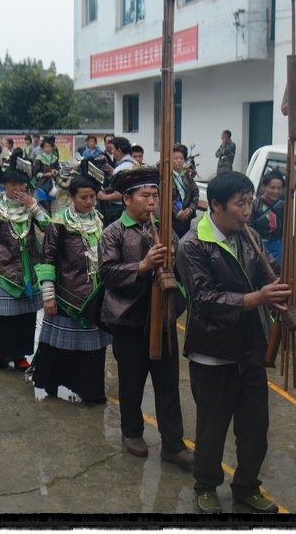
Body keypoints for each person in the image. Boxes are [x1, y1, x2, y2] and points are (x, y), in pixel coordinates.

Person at [176, 171, 293, 515]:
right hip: (212, 352)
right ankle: (205, 486)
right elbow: (205, 299)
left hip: (250, 349)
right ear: (215, 205)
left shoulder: (249, 235)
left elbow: (269, 269)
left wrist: (283, 286)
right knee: (211, 430)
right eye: (240, 203)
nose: (247, 210)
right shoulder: (192, 245)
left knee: (255, 428)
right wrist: (258, 298)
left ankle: (246, 487)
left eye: (250, 202)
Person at [98, 166, 193, 471]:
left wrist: (171, 258)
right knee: (131, 381)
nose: (152, 202)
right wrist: (142, 265)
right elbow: (107, 273)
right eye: (145, 196)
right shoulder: (113, 232)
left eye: (155, 195)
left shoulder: (164, 229)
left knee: (168, 383)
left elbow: (181, 266)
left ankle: (173, 445)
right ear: (127, 199)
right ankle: (131, 432)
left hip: (162, 316)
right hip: (128, 319)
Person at [33, 162, 112, 404]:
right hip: (66, 294)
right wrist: (49, 296)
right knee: (60, 344)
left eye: (92, 197)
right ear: (72, 197)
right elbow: (48, 259)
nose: (89, 202)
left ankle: (90, 390)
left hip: (94, 294)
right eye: (84, 197)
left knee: (92, 348)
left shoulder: (99, 219)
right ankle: (52, 384)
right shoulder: (59, 223)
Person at [0, 154, 50, 370]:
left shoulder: (30, 207)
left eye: (22, 185)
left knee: (25, 317)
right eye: (13, 185)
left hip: (29, 269)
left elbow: (49, 228)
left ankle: (20, 354)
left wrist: (33, 206)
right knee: (3, 316)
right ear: (4, 185)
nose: (18, 188)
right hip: (2, 269)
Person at [96, 136, 134, 226]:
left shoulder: (121, 168)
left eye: (113, 149)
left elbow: (121, 194)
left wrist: (104, 197)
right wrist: (107, 165)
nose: (112, 152)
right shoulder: (134, 164)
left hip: (121, 209)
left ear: (119, 150)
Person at [249, 169, 284, 262]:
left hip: (276, 247)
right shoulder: (254, 205)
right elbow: (249, 229)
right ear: (263, 187)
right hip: (258, 246)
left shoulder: (282, 205)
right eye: (272, 188)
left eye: (279, 188)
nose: (276, 191)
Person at [171, 144, 199, 238]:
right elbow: (164, 198)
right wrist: (178, 213)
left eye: (181, 158)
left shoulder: (187, 176)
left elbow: (196, 193)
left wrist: (190, 209)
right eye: (176, 158)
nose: (179, 161)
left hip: (187, 218)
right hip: (172, 220)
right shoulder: (166, 177)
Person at [33, 138, 59, 214]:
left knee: (50, 204)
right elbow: (35, 172)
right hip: (41, 184)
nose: (47, 148)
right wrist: (44, 175)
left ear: (52, 147)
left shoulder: (55, 158)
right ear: (43, 148)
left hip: (51, 185)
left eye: (49, 146)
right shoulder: (39, 158)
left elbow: (58, 170)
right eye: (45, 147)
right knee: (44, 205)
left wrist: (55, 172)